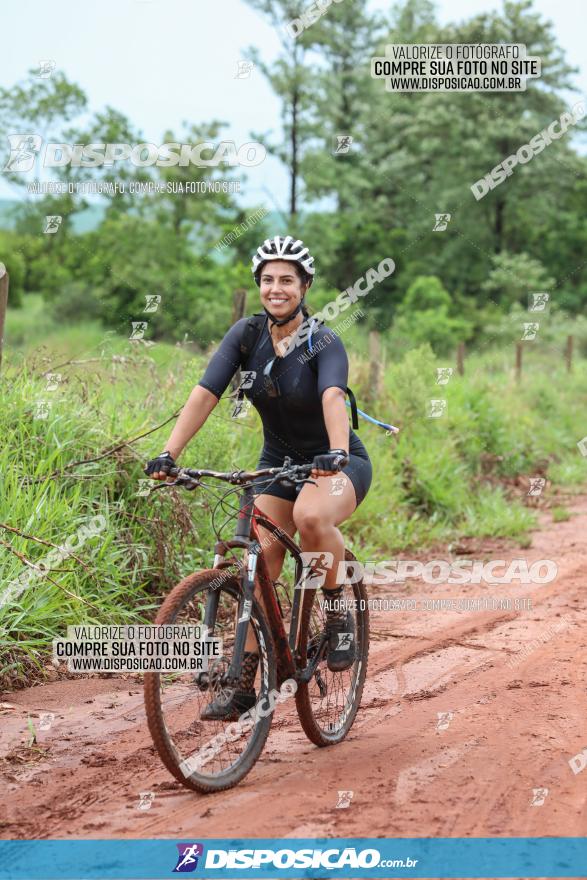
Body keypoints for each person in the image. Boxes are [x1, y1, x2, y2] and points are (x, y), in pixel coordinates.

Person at [145, 235, 372, 720]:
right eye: (268, 280)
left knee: (312, 518)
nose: (276, 288)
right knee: (255, 566)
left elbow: (333, 397)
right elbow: (206, 392)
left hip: (337, 461)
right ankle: (244, 682)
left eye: (287, 280)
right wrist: (169, 452)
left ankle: (337, 612)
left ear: (305, 286)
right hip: (278, 463)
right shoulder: (245, 335)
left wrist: (334, 451)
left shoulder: (323, 341)